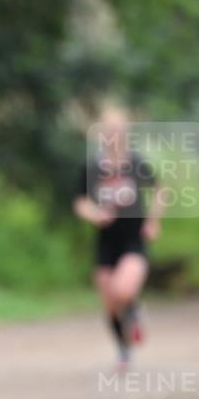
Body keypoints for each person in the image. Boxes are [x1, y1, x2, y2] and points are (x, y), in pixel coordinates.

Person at [72, 107, 163, 366]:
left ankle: (134, 310)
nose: (114, 135)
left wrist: (153, 221)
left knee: (122, 290)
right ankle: (124, 350)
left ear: (126, 133)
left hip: (133, 239)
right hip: (106, 241)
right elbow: (80, 203)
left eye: (119, 129)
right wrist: (94, 214)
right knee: (110, 303)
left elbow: (159, 192)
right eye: (109, 130)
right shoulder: (92, 167)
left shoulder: (136, 163)